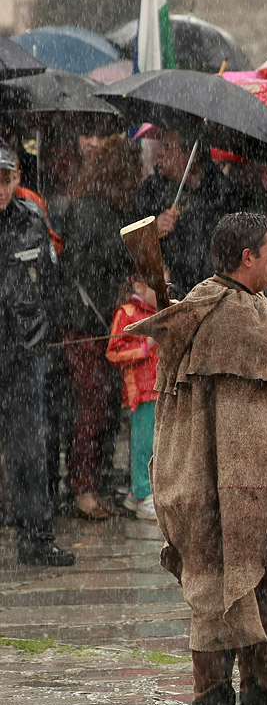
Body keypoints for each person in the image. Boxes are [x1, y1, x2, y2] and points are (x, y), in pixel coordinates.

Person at [126, 212, 267, 705]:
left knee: (263, 584)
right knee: (221, 589)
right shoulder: (234, 319)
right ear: (248, 258)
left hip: (223, 473)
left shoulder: (225, 302)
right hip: (216, 482)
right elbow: (233, 429)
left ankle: (261, 699)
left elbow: (241, 412)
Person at [59, 135, 141, 520]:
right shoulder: (92, 209)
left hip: (96, 323)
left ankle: (94, 481)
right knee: (93, 405)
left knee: (104, 404)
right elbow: (85, 263)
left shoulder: (101, 207)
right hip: (86, 325)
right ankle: (83, 486)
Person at [0, 145, 74, 567]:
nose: (0, 188)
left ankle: (37, 537)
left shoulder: (32, 222)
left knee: (30, 447)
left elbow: (50, 284)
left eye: (6, 179)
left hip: (25, 353)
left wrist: (41, 335)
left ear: (17, 179)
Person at [130, 127, 244, 295]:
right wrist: (152, 229)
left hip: (208, 291)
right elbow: (129, 241)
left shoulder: (222, 193)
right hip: (164, 293)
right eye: (161, 146)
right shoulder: (151, 190)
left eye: (168, 147)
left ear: (192, 155)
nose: (159, 153)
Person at [106, 275, 162, 520]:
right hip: (139, 390)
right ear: (139, 285)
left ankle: (135, 492)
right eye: (156, 287)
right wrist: (144, 347)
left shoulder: (159, 311)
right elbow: (114, 353)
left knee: (155, 443)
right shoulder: (126, 313)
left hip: (159, 387)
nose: (162, 292)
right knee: (144, 446)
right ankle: (142, 493)